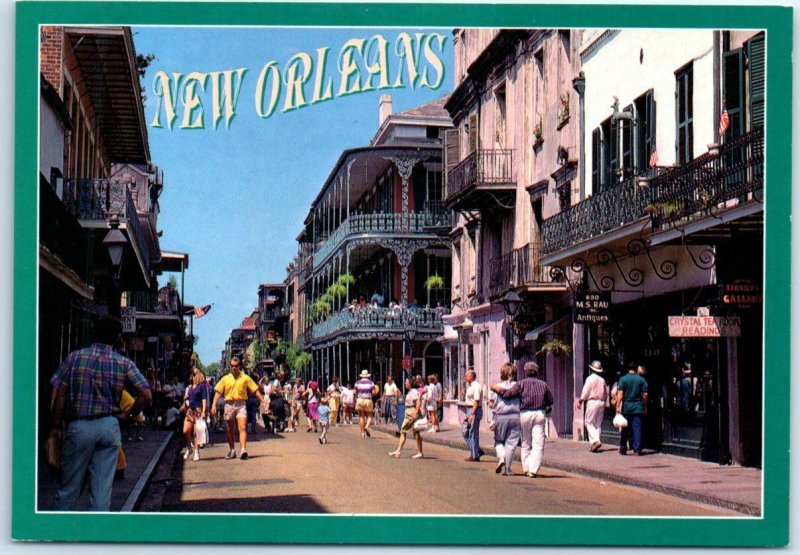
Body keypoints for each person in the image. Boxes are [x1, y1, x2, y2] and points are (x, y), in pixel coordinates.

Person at [48, 316, 152, 511]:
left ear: (94, 332)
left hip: (79, 426)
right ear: (117, 337)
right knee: (101, 491)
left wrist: (55, 425)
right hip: (109, 425)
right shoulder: (124, 362)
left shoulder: (74, 357)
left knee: (69, 487)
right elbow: (146, 394)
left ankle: (59, 533)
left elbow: (59, 393)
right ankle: (96, 533)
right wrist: (128, 415)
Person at [492, 361, 553, 478]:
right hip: (540, 413)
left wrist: (496, 388)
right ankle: (533, 469)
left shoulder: (521, 384)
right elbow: (551, 400)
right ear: (537, 372)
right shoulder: (544, 384)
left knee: (526, 442)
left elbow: (508, 394)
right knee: (538, 443)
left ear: (525, 372)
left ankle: (526, 468)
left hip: (524, 413)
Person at [211, 356, 266, 460]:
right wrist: (214, 405)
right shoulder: (225, 379)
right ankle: (232, 450)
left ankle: (243, 450)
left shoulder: (245, 378)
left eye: (236, 366)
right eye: (232, 366)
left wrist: (263, 401)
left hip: (241, 404)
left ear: (239, 366)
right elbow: (218, 392)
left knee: (242, 427)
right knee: (230, 429)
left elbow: (255, 390)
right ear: (230, 366)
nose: (234, 368)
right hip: (229, 404)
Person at [491, 362, 521, 475]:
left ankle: (502, 457)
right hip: (515, 416)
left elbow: (490, 404)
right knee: (512, 443)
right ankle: (508, 469)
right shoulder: (518, 386)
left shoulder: (497, 387)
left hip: (500, 417)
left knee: (499, 441)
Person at [576, 360, 610, 453]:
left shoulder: (590, 379)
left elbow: (586, 391)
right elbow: (606, 393)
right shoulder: (602, 380)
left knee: (588, 422)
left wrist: (581, 400)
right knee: (598, 424)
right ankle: (595, 443)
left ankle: (596, 441)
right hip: (601, 402)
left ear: (591, 369)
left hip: (592, 402)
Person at [388, 376, 425, 459]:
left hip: (411, 412)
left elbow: (418, 402)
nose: (405, 383)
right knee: (415, 432)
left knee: (403, 431)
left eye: (406, 381)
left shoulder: (414, 391)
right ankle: (419, 452)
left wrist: (415, 412)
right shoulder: (411, 391)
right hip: (409, 412)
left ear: (410, 383)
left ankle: (399, 451)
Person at [616, 362, 649, 456]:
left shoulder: (623, 379)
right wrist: (645, 406)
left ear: (628, 369)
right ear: (636, 369)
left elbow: (620, 393)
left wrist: (618, 405)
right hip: (638, 407)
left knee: (624, 429)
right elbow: (645, 395)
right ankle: (637, 449)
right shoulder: (641, 380)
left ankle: (623, 448)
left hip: (626, 407)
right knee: (637, 428)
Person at [182, 370, 209, 461]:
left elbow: (204, 398)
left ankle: (196, 451)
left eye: (194, 375)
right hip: (190, 411)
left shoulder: (201, 386)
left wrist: (204, 411)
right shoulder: (190, 387)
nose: (193, 377)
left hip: (198, 410)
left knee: (196, 432)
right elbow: (187, 399)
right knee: (186, 430)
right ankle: (189, 448)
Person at [462, 369, 483, 461]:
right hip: (469, 409)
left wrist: (472, 414)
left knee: (472, 432)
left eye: (467, 375)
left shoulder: (476, 386)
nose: (465, 377)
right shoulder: (470, 386)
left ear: (472, 376)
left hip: (474, 410)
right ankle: (476, 450)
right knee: (464, 431)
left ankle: (475, 455)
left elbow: (476, 401)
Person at [354, 369, 378, 438]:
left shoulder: (357, 383)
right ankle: (367, 426)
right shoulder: (371, 383)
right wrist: (371, 395)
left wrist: (358, 397)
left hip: (360, 399)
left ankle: (362, 433)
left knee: (361, 416)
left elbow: (354, 392)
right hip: (368, 400)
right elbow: (373, 392)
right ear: (368, 376)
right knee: (370, 415)